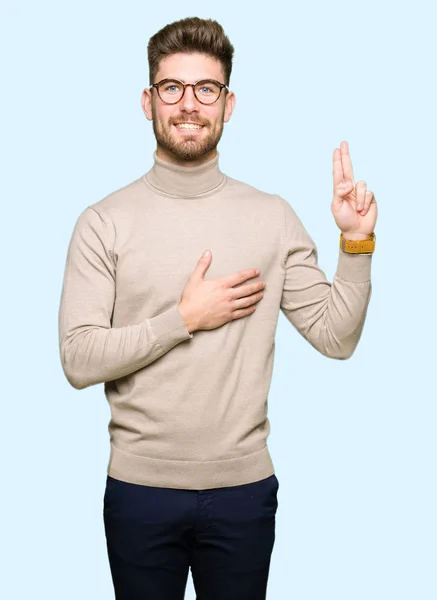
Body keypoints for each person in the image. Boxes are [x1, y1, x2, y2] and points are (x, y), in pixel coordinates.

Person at [58, 16, 377, 600]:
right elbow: (78, 359)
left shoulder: (271, 216)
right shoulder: (103, 221)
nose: (188, 105)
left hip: (243, 491)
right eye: (172, 88)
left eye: (206, 89)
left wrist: (355, 243)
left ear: (228, 104)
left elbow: (337, 337)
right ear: (147, 101)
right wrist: (183, 320)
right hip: (139, 490)